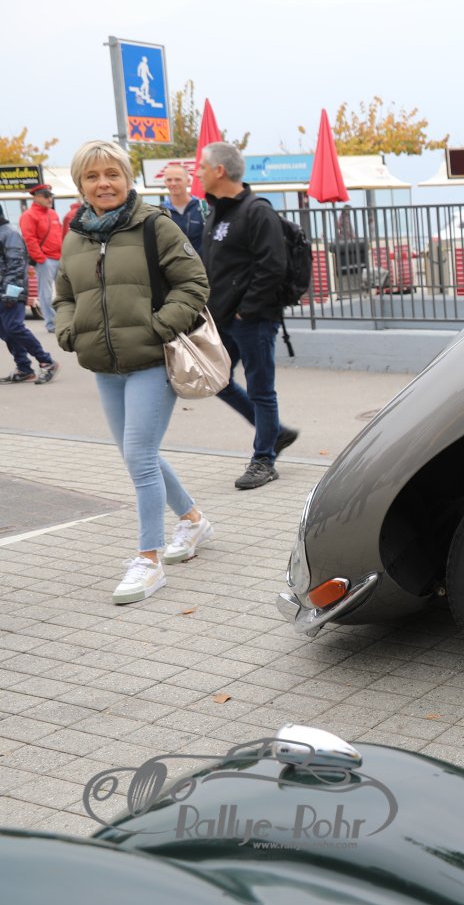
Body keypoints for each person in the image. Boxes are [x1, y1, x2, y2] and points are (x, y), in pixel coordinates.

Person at [53, 139, 214, 603]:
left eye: (112, 174)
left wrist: (158, 327)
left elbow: (194, 282)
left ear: (128, 178)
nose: (103, 183)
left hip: (151, 361)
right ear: (81, 184)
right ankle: (193, 520)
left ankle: (148, 560)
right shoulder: (76, 235)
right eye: (92, 176)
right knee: (134, 453)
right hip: (104, 365)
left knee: (140, 456)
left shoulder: (155, 226)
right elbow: (64, 295)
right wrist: (69, 331)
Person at [198, 141, 299, 489]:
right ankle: (274, 432)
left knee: (261, 390)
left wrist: (247, 310)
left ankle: (264, 460)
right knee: (216, 379)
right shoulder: (217, 212)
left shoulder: (257, 212)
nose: (199, 173)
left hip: (252, 319)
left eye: (202, 167)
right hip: (222, 318)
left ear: (219, 171)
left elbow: (273, 266)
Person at [1, 205, 59, 384]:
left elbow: (17, 265)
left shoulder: (9, 233)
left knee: (14, 327)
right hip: (3, 291)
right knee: (6, 331)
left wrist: (11, 292)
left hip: (9, 291)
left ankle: (47, 362)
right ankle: (24, 368)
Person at [20, 183, 64, 332]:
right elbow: (29, 239)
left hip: (59, 257)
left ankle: (62, 321)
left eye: (51, 196)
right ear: (37, 197)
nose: (49, 199)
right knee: (46, 293)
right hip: (45, 260)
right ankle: (52, 324)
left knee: (64, 292)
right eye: (46, 196)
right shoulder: (29, 215)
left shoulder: (53, 214)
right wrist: (41, 259)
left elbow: (59, 235)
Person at [160, 162, 207, 248]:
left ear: (188, 181)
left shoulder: (203, 208)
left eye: (178, 179)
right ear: (165, 183)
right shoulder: (160, 211)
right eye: (169, 180)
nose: (173, 183)